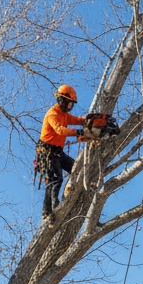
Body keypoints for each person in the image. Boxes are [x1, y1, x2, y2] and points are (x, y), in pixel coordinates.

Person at [38, 84, 87, 222]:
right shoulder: (52, 114)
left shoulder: (65, 115)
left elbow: (76, 120)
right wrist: (78, 132)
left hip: (58, 152)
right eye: (69, 103)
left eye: (72, 104)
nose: (70, 106)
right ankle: (49, 212)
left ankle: (70, 196)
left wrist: (86, 120)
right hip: (46, 152)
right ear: (62, 101)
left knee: (77, 168)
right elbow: (60, 130)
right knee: (56, 179)